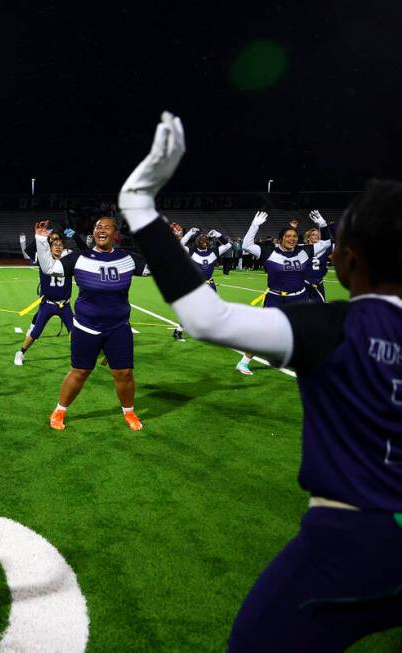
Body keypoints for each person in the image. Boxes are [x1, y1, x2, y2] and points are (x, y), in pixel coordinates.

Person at [120, 111, 402, 653]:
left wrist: (139, 203)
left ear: (349, 260)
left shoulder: (341, 327)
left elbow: (209, 319)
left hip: (357, 545)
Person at [38, 216, 149, 432]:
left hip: (118, 327)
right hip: (86, 326)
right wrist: (41, 240)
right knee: (79, 371)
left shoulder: (127, 258)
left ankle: (129, 411)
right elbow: (50, 268)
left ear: (115, 233)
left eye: (106, 227)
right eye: (98, 227)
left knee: (124, 373)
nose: (101, 230)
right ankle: (60, 409)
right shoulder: (79, 258)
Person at [234, 210, 331, 374]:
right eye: (288, 236)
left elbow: (327, 243)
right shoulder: (268, 252)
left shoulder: (304, 251)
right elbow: (247, 245)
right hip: (275, 298)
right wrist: (254, 226)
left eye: (294, 236)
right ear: (280, 239)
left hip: (299, 297)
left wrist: (322, 224)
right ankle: (244, 362)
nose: (292, 239)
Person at [15, 231, 73, 365]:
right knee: (36, 332)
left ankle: (80, 356)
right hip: (48, 304)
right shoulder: (43, 259)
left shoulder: (68, 260)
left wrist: (76, 236)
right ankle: (21, 352)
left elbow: (84, 251)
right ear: (49, 247)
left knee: (75, 332)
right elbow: (28, 252)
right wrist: (41, 237)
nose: (58, 247)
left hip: (65, 305)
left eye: (60, 245)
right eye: (55, 245)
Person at [303, 212, 333, 303]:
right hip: (303, 283)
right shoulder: (302, 249)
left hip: (319, 283)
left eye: (317, 234)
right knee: (301, 309)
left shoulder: (326, 249)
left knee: (320, 309)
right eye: (313, 234)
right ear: (308, 238)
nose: (316, 236)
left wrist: (323, 224)